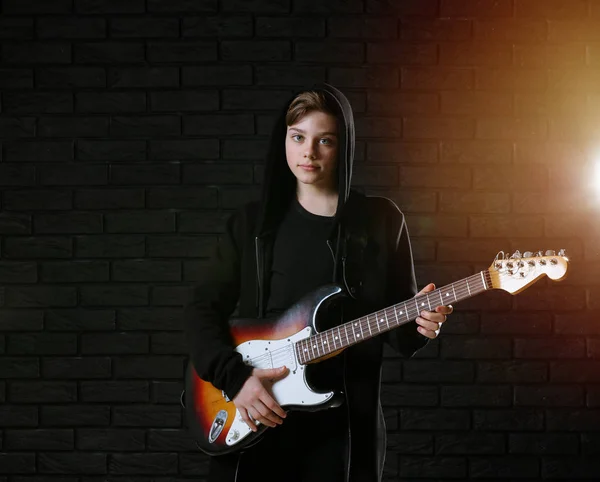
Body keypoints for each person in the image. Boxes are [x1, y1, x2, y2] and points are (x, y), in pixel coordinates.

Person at [183, 83, 453, 482]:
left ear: (343, 146)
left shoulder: (380, 221)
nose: (309, 152)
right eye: (298, 137)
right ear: (285, 142)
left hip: (343, 429)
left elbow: (402, 333)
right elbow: (200, 310)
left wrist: (426, 323)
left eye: (324, 140)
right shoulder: (251, 225)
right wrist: (235, 379)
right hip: (257, 412)